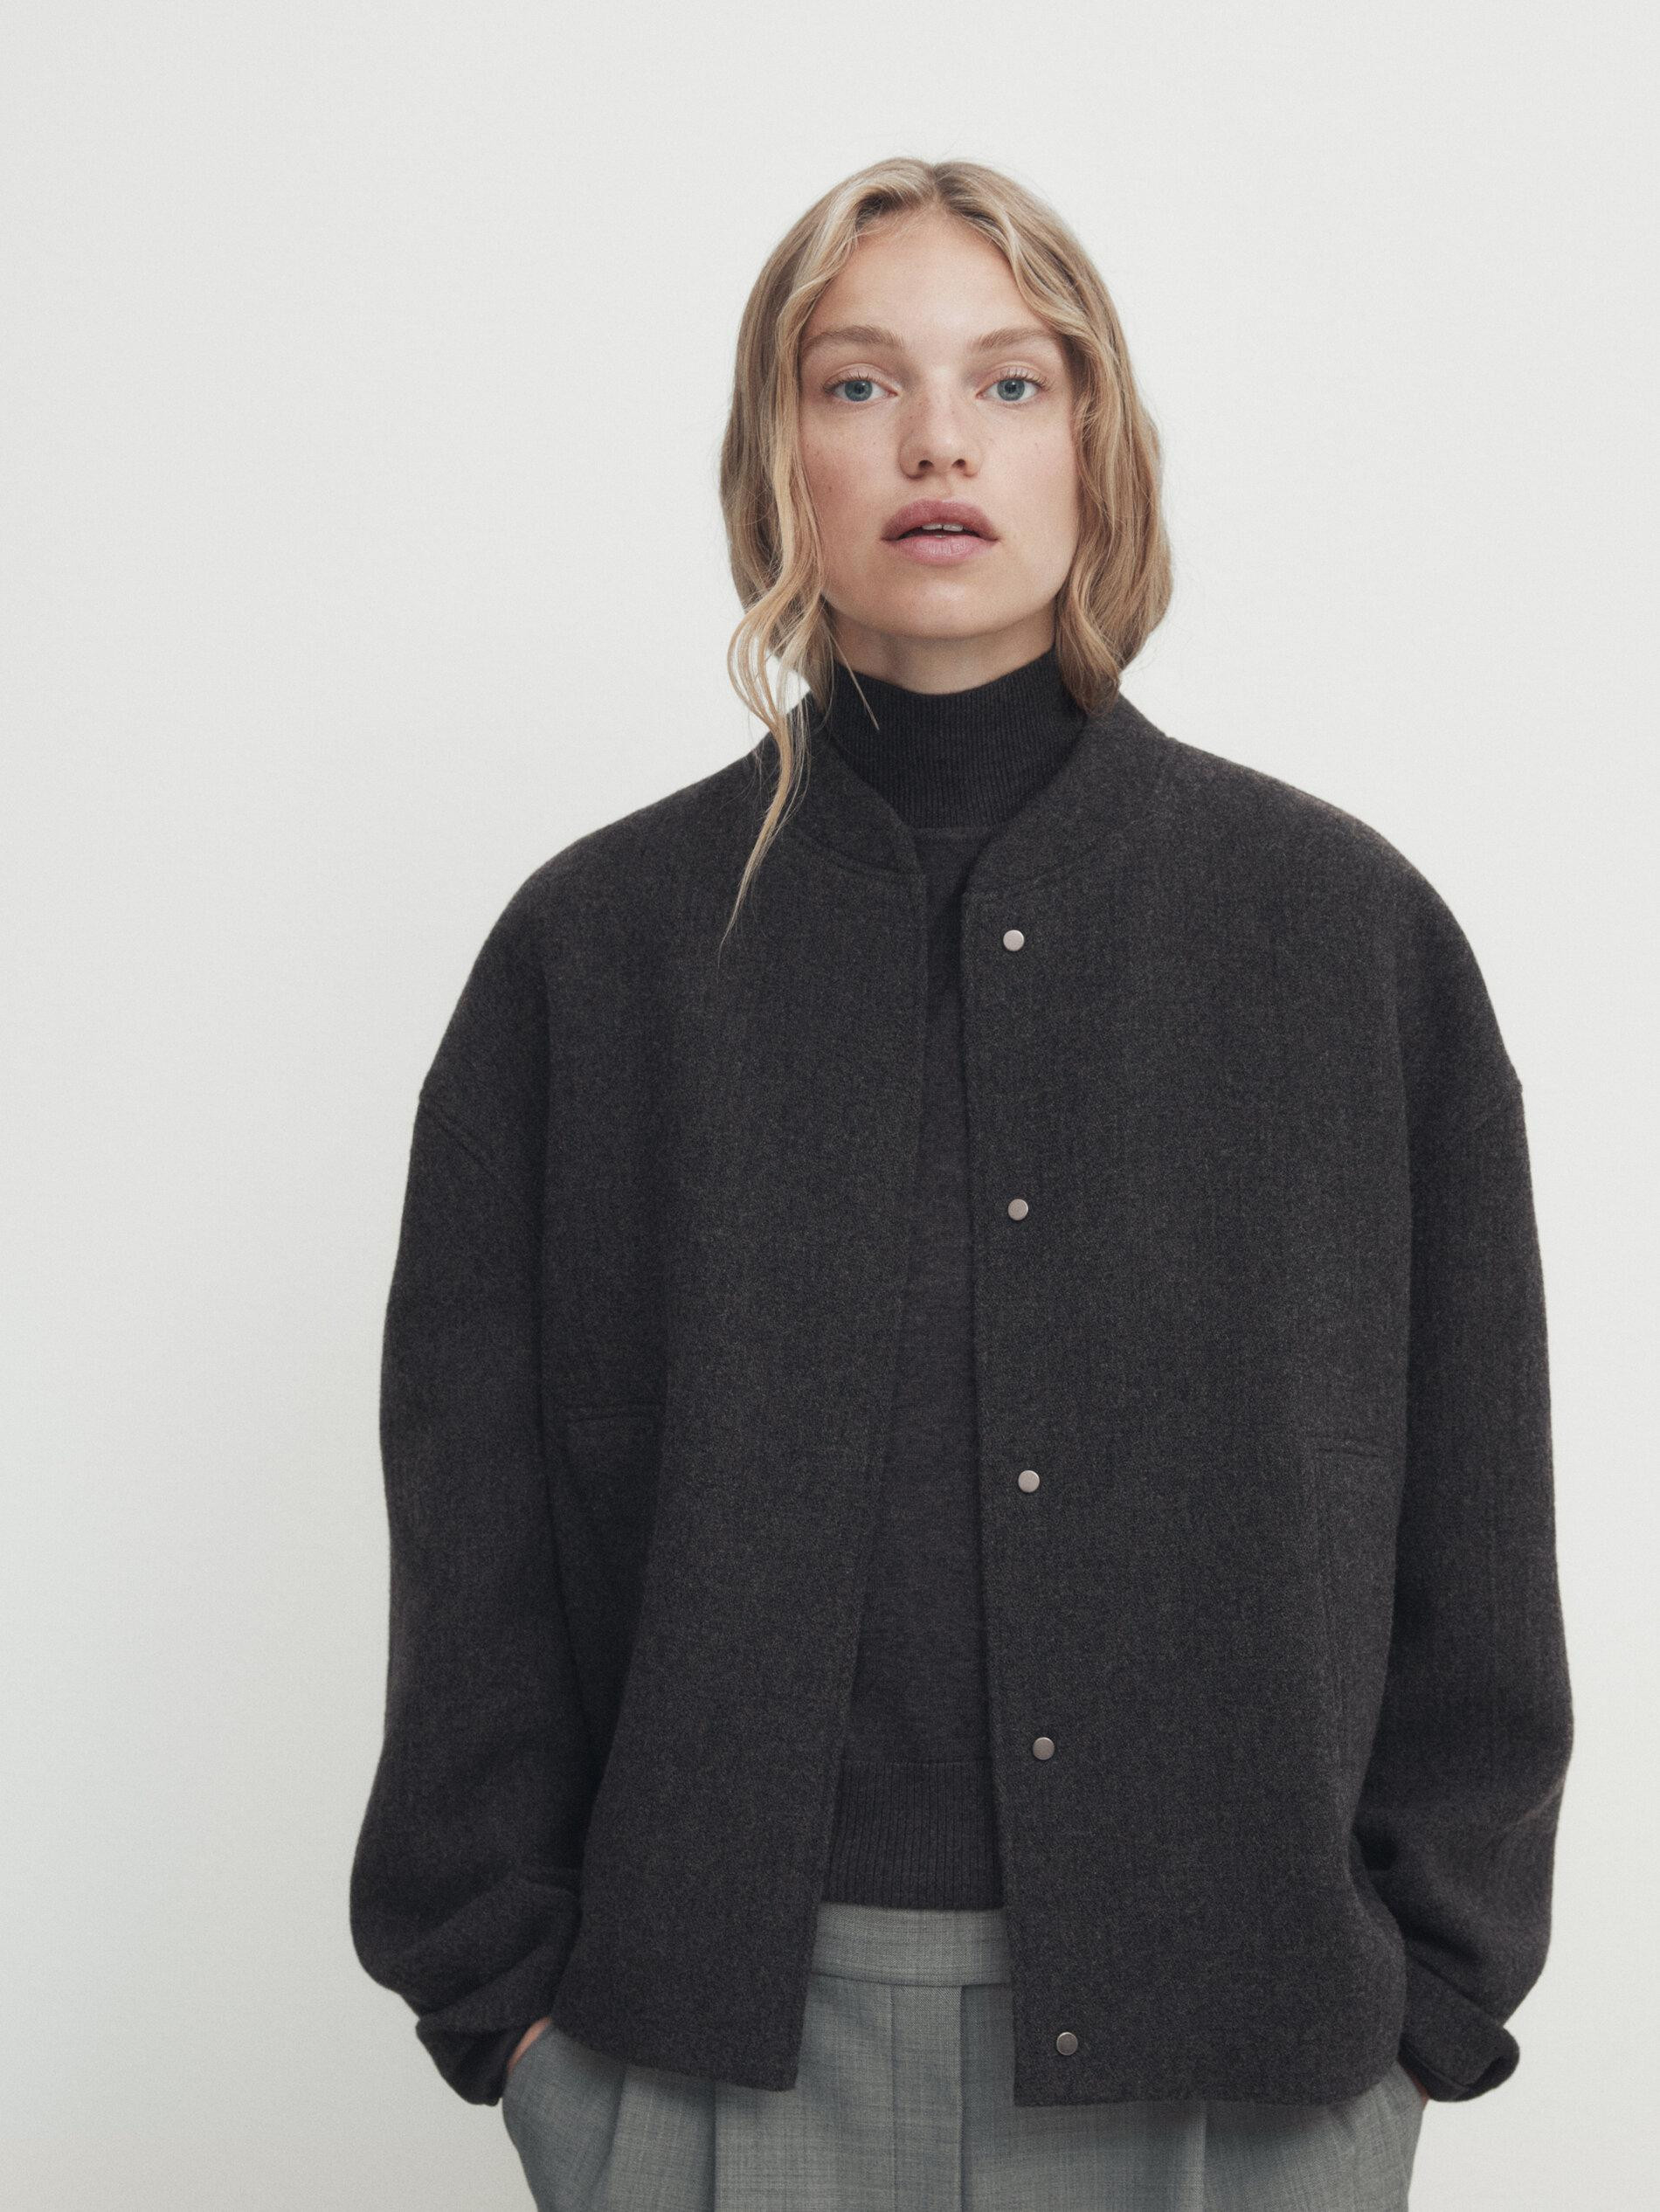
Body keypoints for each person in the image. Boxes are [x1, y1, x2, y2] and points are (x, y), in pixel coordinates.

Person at [350, 157, 1573, 2211]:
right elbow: (469, 1531)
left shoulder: (1335, 937)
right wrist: (521, 2027)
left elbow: (1474, 1514)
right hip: (708, 2060)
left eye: (1008, 383)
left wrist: (1421, 2012)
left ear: (1095, 442)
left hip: (1244, 2072)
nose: (936, 442)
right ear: (776, 455)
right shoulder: (600, 953)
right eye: (859, 384)